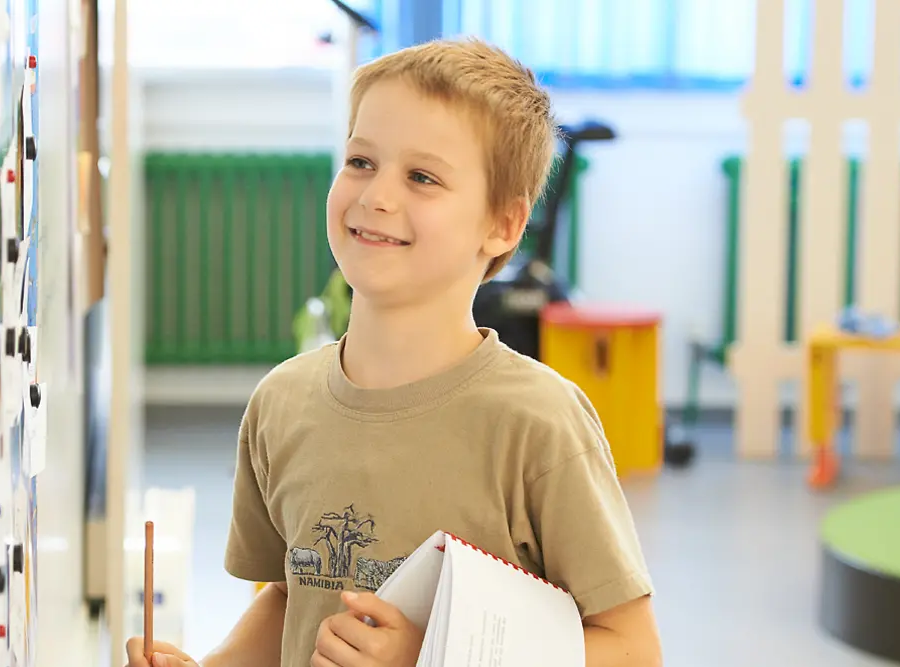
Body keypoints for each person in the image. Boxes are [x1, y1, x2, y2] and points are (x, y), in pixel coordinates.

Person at [127, 37, 662, 667]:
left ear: (504, 225)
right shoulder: (280, 403)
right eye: (360, 161)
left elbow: (632, 649)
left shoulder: (541, 424)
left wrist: (433, 656)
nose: (377, 196)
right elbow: (288, 598)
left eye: (422, 177)